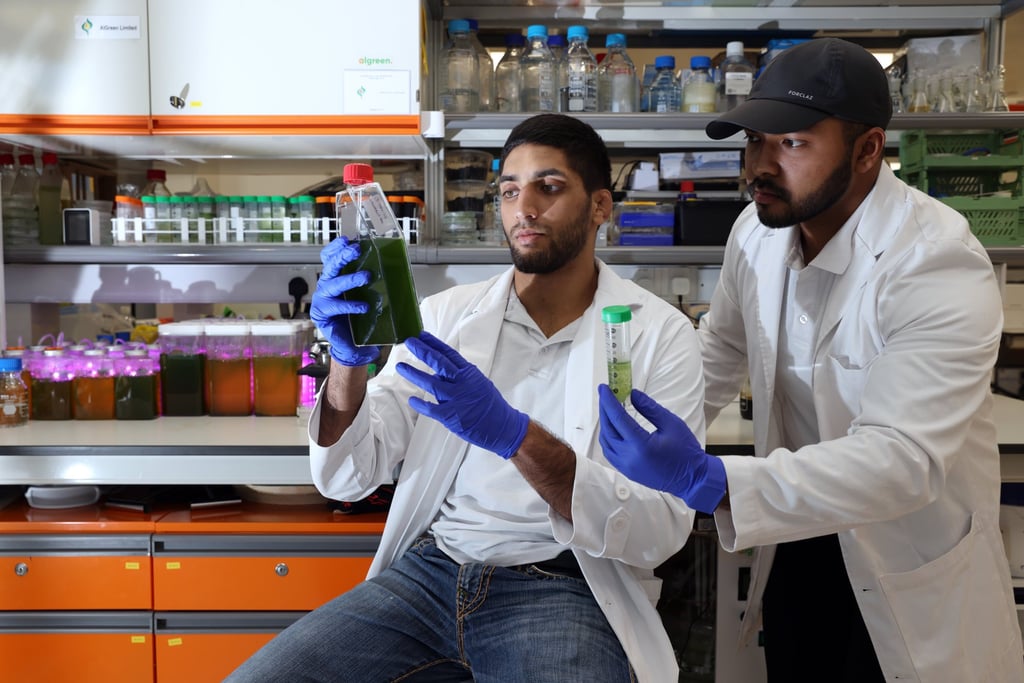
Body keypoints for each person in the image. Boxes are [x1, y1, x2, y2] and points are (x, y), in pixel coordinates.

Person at [598, 37, 1024, 683]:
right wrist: (639, 440)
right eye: (754, 142)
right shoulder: (757, 230)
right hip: (795, 531)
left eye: (791, 143)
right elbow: (720, 349)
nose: (761, 166)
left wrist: (709, 479)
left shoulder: (934, 261)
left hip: (903, 550)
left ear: (867, 149)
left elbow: (902, 461)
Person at [227, 113, 705, 683]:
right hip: (430, 571)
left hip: (563, 583)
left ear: (601, 206)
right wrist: (349, 364)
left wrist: (514, 436)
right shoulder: (447, 317)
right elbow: (349, 477)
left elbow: (661, 527)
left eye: (548, 187)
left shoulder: (659, 333)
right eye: (509, 190)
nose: (523, 208)